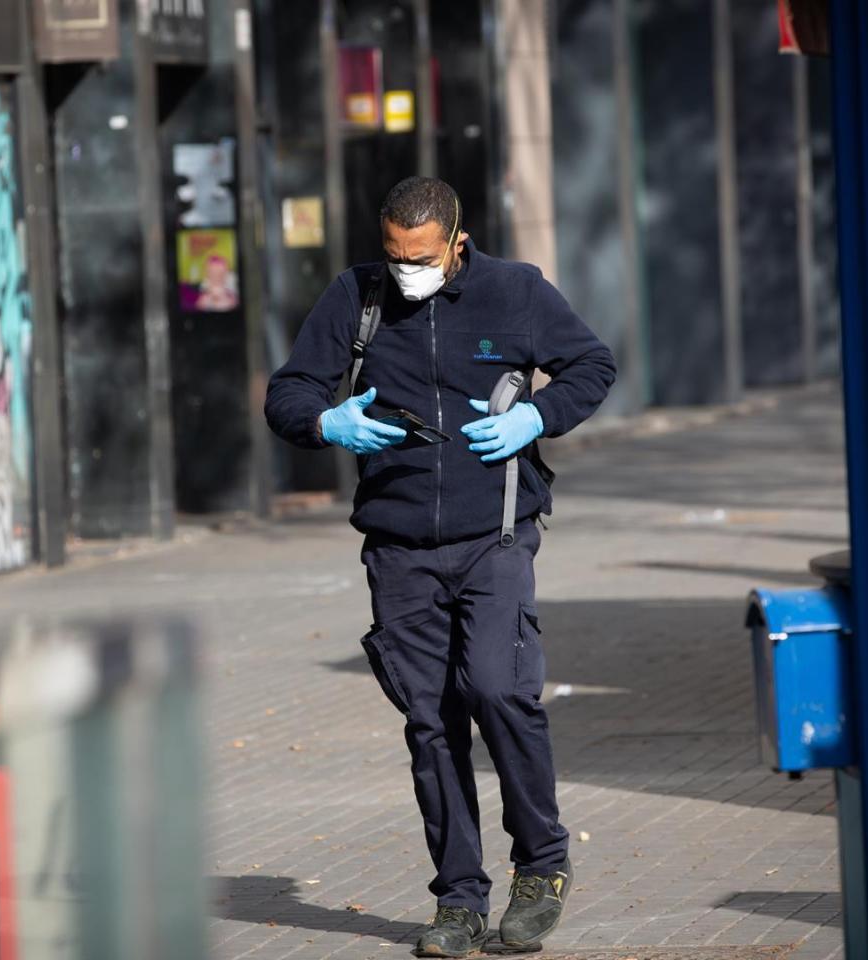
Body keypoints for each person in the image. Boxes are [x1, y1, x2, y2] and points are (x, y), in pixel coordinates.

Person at [265, 177, 616, 957]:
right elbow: (287, 393)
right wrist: (327, 421)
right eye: (393, 257)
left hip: (494, 534)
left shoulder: (515, 291)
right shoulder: (355, 296)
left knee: (497, 688)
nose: (405, 273)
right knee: (431, 724)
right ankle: (458, 900)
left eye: (420, 258)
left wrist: (537, 415)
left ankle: (542, 866)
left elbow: (592, 366)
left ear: (457, 243)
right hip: (397, 549)